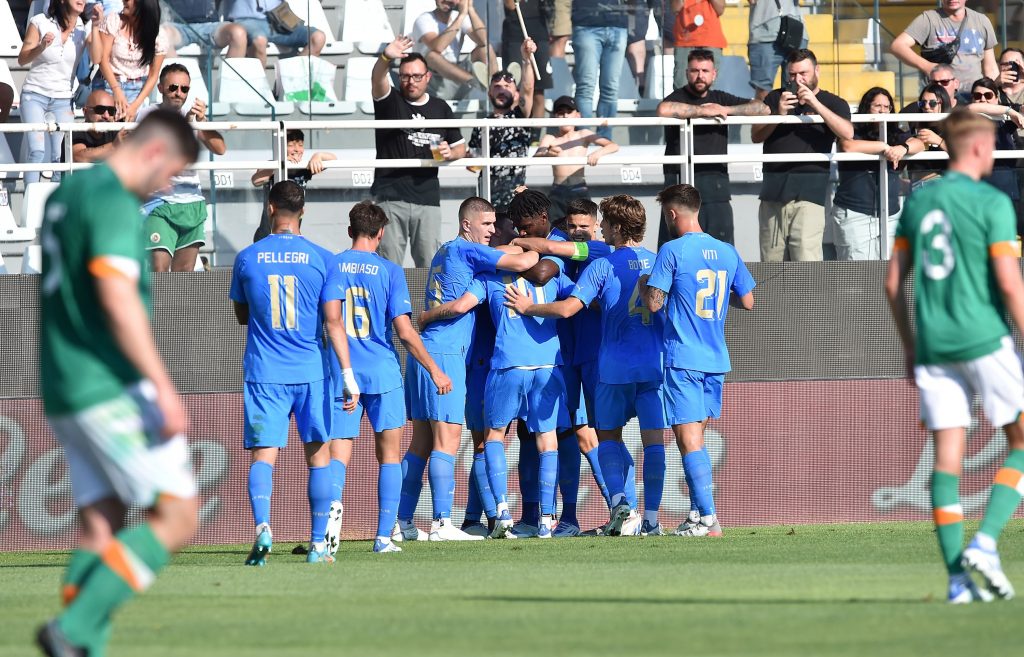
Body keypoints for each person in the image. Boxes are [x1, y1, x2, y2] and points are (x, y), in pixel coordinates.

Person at [35, 109, 200, 657]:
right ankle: (71, 630)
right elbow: (116, 295)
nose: (167, 186)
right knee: (177, 514)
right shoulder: (112, 200)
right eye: (170, 173)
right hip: (106, 382)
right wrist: (162, 385)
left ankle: (81, 644)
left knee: (101, 525)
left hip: (63, 382)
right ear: (153, 151)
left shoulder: (67, 194)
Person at [885, 108, 1024, 604]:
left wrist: (910, 347)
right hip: (984, 336)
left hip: (933, 345)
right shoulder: (992, 201)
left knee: (947, 460)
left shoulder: (920, 201)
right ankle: (984, 542)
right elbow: (1009, 283)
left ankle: (956, 581)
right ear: (981, 147)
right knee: (1021, 439)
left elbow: (892, 283)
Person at [505, 194, 669, 537]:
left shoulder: (601, 261)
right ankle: (650, 520)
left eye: (602, 224)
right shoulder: (658, 261)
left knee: (605, 436)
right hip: (652, 366)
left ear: (615, 226)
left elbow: (568, 308)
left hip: (611, 366)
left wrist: (527, 307)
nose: (600, 230)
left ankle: (621, 504)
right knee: (653, 442)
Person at [393, 197, 539, 542]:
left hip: (425, 351)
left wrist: (428, 315)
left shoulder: (444, 250)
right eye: (486, 224)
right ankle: (442, 523)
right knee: (448, 440)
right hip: (445, 353)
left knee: (421, 444)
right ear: (466, 224)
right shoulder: (468, 250)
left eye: (493, 225)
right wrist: (536, 245)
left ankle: (402, 522)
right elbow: (522, 263)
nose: (491, 230)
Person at [230, 181, 358, 566]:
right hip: (311, 372)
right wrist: (348, 376)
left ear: (270, 208)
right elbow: (334, 322)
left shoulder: (247, 257)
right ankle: (318, 545)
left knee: (263, 456)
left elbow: (242, 314)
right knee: (318, 456)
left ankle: (263, 527)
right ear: (304, 210)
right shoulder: (324, 259)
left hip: (265, 370)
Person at [320, 201, 453, 555]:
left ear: (350, 231)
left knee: (338, 452)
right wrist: (435, 369)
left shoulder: (332, 265)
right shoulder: (390, 271)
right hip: (382, 372)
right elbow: (405, 332)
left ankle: (330, 522)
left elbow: (331, 321)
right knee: (390, 456)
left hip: (343, 372)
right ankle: (383, 537)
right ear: (381, 233)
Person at [643, 183, 754, 537]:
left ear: (672, 213)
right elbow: (748, 301)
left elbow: (654, 303)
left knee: (687, 437)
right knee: (696, 438)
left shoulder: (672, 250)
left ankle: (709, 520)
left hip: (684, 357)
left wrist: (647, 285)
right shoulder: (726, 250)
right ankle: (697, 514)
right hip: (716, 359)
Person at [472, 251, 576, 540]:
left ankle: (502, 513)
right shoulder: (554, 272)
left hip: (509, 363)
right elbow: (581, 299)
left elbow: (461, 305)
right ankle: (546, 520)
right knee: (548, 439)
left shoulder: (489, 274)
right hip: (548, 365)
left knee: (494, 435)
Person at [656, 48, 769, 245]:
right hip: (679, 183)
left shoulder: (721, 99)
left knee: (720, 247)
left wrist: (724, 109)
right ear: (687, 73)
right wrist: (703, 111)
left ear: (714, 74)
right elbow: (663, 110)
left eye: (705, 71)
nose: (700, 76)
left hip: (716, 182)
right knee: (676, 248)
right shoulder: (678, 96)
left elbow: (763, 108)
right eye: (695, 70)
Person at [371, 37, 466, 267]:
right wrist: (385, 57)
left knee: (429, 265)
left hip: (427, 197)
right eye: (405, 76)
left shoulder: (440, 107)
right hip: (390, 197)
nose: (410, 81)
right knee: (389, 266)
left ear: (428, 77)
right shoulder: (390, 100)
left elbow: (460, 147)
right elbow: (377, 79)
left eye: (416, 76)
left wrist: (450, 153)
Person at [751, 48, 853, 262]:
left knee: (806, 265)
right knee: (771, 265)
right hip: (773, 194)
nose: (798, 80)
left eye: (803, 74)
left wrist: (815, 104)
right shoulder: (775, 97)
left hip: (810, 195)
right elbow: (756, 135)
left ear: (817, 71)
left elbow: (847, 133)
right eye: (792, 74)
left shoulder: (833, 102)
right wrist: (778, 115)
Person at [137, 63, 226, 273]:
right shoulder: (148, 114)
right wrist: (185, 124)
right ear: (160, 88)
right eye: (173, 87)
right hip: (159, 201)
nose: (179, 93)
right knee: (159, 269)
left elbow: (220, 148)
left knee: (184, 274)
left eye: (184, 89)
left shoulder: (194, 114)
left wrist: (203, 122)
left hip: (192, 200)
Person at [19, 0, 97, 184]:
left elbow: (97, 57)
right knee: (37, 151)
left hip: (63, 99)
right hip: (34, 95)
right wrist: (41, 47)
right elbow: (22, 59)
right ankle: (30, 196)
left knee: (59, 156)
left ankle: (56, 198)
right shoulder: (40, 21)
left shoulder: (84, 27)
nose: (82, 0)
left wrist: (96, 25)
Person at [832, 87, 912, 260]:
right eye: (877, 106)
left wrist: (903, 148)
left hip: (891, 214)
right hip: (854, 213)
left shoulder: (895, 132)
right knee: (858, 274)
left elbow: (919, 143)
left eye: (887, 107)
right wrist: (884, 148)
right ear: (867, 107)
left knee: (890, 271)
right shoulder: (853, 128)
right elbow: (847, 146)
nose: (883, 111)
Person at [468, 38, 537, 212]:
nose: (502, 90)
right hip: (486, 196)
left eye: (507, 86)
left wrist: (526, 59)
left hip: (516, 198)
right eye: (497, 86)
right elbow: (473, 162)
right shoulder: (482, 124)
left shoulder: (520, 116)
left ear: (516, 94)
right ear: (489, 92)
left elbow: (528, 88)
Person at [536, 95, 619, 222]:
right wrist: (548, 153)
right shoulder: (550, 138)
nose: (565, 116)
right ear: (554, 116)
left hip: (579, 189)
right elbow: (537, 155)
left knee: (585, 228)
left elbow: (613, 146)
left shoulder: (583, 134)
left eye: (569, 112)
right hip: (557, 191)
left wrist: (597, 153)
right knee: (554, 228)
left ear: (578, 115)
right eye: (560, 113)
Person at [251, 129, 337, 242]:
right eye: (291, 145)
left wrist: (318, 156)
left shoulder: (303, 168)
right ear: (281, 147)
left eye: (300, 145)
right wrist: (281, 163)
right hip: (266, 236)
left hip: (291, 236)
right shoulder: (273, 165)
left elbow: (333, 159)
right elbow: (256, 180)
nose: (297, 149)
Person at [890, 0, 998, 89]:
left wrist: (992, 93)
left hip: (974, 97)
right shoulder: (928, 19)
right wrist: (928, 67)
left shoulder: (982, 21)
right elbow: (897, 46)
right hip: (940, 97)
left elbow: (991, 68)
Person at [94, 0, 167, 121]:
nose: (124, 1)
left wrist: (135, 105)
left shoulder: (158, 36)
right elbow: (103, 60)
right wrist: (116, 90)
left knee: (131, 131)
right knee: (105, 130)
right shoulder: (114, 21)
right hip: (107, 84)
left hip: (137, 90)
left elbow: (153, 75)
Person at [412, 0, 498, 100]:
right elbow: (437, 47)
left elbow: (484, 41)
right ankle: (475, 82)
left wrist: (470, 9)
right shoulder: (424, 19)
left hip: (457, 75)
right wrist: (461, 16)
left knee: (486, 49)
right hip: (434, 81)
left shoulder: (458, 17)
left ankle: (496, 86)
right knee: (432, 56)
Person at [571, 0, 631, 139]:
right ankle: (583, 138)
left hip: (617, 24)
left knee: (611, 88)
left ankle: (604, 139)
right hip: (586, 23)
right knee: (586, 86)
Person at [965, 77, 1023, 206]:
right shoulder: (968, 117)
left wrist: (1018, 111)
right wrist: (1010, 111)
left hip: (1006, 180)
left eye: (988, 95)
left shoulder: (1005, 118)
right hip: (977, 181)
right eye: (977, 95)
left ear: (997, 98)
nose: (983, 99)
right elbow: (971, 108)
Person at [224, 0, 325, 68]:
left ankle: (292, 82)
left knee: (318, 38)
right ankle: (258, 88)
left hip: (279, 18)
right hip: (246, 19)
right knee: (259, 40)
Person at [747, 0, 805, 101]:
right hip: (763, 32)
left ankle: (792, 111)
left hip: (795, 31)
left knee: (795, 85)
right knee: (763, 89)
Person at [500, 0, 547, 118]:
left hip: (540, 29)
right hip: (515, 31)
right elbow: (510, 5)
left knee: (539, 91)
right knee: (514, 88)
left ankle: (537, 130)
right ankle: (514, 127)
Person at [903, 83, 952, 191]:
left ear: (943, 104)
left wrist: (939, 141)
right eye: (922, 103)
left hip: (940, 184)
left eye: (932, 103)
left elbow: (962, 155)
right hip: (915, 185)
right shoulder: (915, 126)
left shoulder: (952, 128)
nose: (926, 107)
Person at [670, 0, 726, 92]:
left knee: (708, 87)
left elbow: (720, 9)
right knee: (681, 86)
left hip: (710, 39)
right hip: (685, 39)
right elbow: (675, 8)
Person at [163, 0, 247, 59]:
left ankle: (231, 79)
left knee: (238, 34)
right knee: (161, 35)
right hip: (177, 27)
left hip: (211, 25)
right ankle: (178, 76)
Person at [72, 89, 124, 162]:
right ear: (85, 112)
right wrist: (113, 146)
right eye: (100, 110)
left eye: (111, 111)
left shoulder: (115, 132)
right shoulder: (76, 131)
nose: (106, 116)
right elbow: (78, 157)